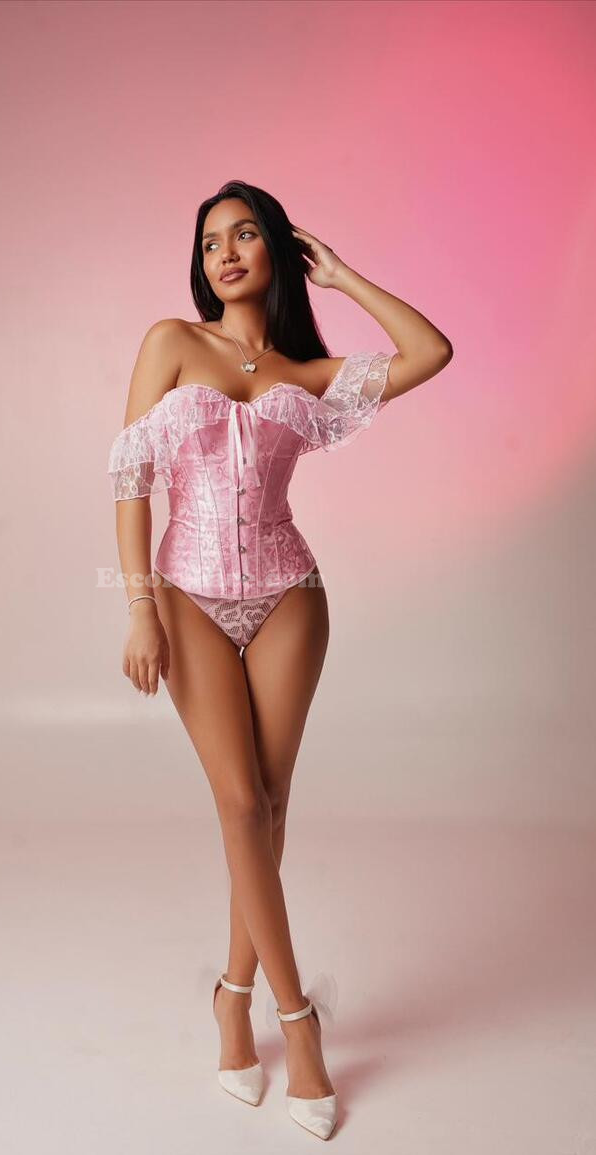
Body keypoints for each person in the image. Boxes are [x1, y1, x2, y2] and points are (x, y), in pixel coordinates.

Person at [107, 180, 452, 1139]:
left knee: (270, 802)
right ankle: (296, 1021)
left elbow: (430, 352)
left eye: (244, 234)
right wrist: (139, 610)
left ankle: (231, 996)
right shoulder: (172, 342)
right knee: (240, 803)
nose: (224, 253)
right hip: (187, 592)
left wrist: (342, 276)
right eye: (209, 241)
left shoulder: (306, 372)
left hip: (290, 593)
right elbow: (132, 476)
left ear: (277, 250)